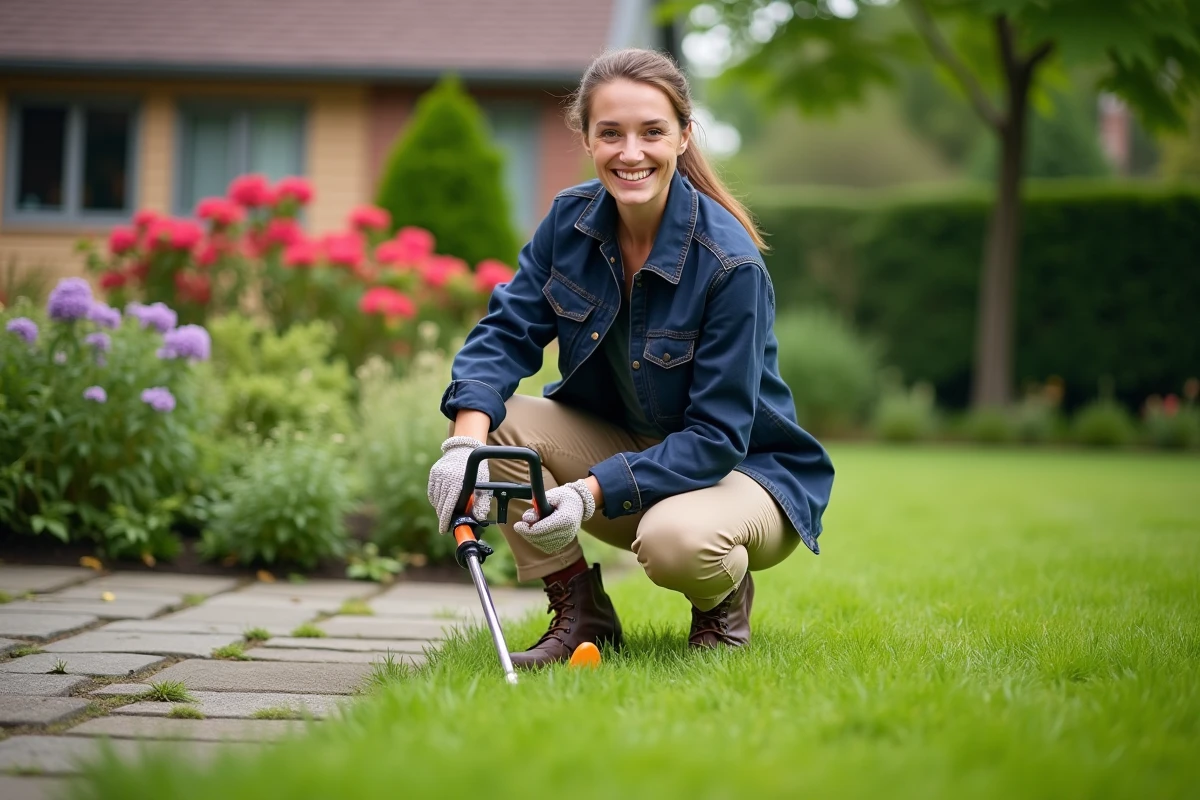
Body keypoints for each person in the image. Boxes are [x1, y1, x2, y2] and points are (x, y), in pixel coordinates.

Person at [427, 47, 834, 669]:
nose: (631, 152)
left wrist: (590, 493)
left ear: (683, 137)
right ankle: (580, 611)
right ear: (586, 138)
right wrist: (463, 448)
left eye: (652, 132)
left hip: (746, 473)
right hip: (631, 453)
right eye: (610, 133)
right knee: (495, 427)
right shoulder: (569, 222)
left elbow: (719, 435)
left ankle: (721, 602)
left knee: (675, 541)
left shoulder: (730, 265)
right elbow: (506, 331)